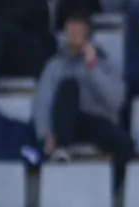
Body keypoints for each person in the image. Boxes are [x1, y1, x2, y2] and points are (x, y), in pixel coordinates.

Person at [32, 12, 132, 188]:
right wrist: (46, 133)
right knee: (69, 86)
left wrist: (92, 67)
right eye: (70, 34)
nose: (73, 39)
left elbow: (116, 100)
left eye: (78, 34)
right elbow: (43, 101)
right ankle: (61, 151)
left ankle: (112, 191)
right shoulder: (55, 65)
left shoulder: (103, 63)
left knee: (125, 144)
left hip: (95, 121)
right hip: (64, 123)